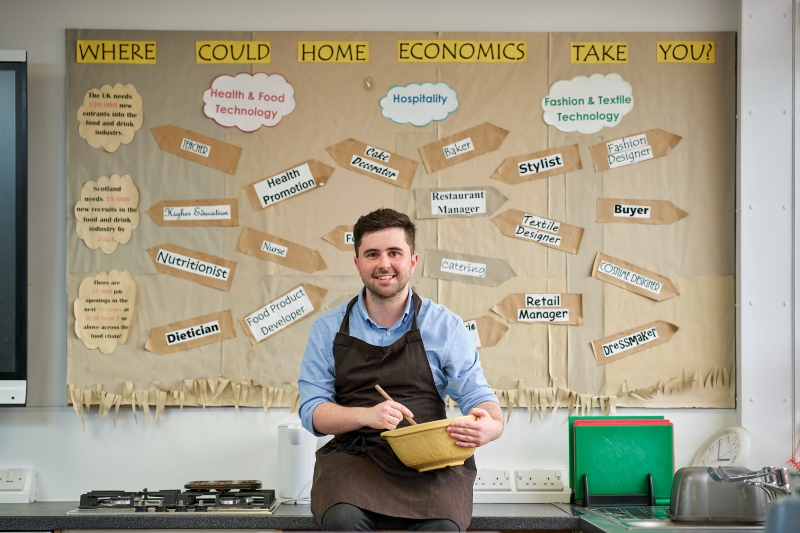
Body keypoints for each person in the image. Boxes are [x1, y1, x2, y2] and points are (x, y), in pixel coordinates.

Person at [299, 208, 504, 531]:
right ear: (357, 263)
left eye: (394, 252)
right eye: (372, 254)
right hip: (355, 463)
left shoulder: (445, 326)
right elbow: (312, 413)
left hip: (431, 465)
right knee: (343, 521)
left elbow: (478, 395)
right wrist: (366, 416)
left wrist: (492, 425)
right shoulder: (327, 330)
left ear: (412, 260)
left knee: (443, 529)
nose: (384, 264)